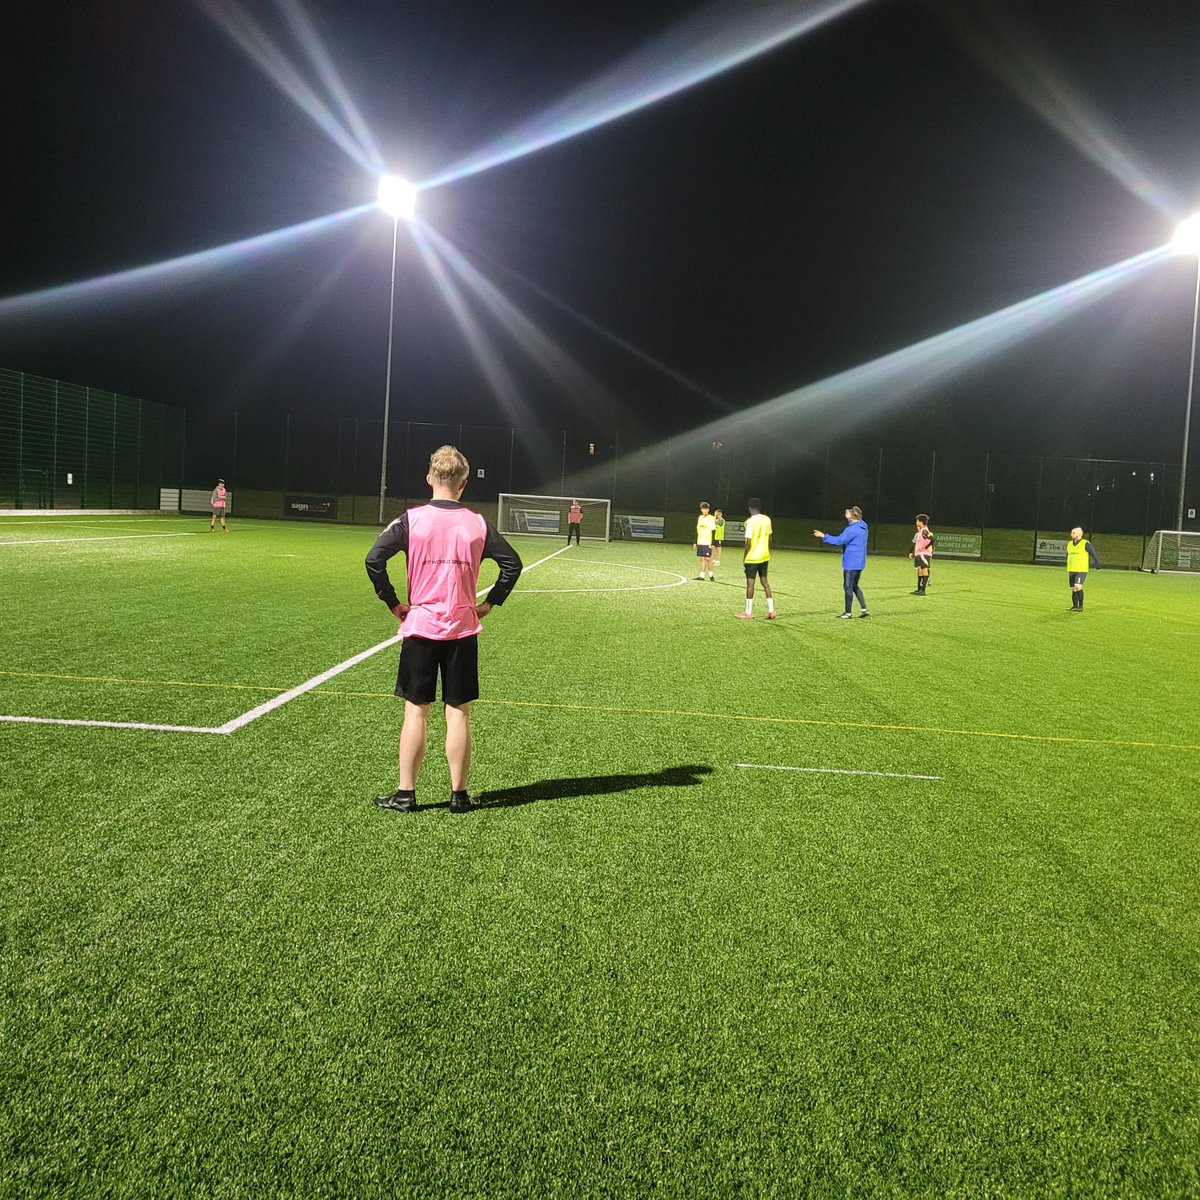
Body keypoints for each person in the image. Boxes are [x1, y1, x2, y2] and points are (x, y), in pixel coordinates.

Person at [365, 445, 523, 814]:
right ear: (464, 483)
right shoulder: (477, 523)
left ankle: (406, 794)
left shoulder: (411, 519)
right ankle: (459, 796)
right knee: (458, 711)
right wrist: (489, 604)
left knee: (416, 711)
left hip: (420, 627)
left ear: (429, 478)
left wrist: (393, 602)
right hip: (462, 630)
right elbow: (512, 565)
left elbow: (374, 559)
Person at [813, 506, 870, 618]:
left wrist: (823, 536)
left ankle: (848, 613)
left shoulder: (852, 529)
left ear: (853, 517)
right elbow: (854, 516)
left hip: (851, 562)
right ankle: (864, 609)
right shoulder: (864, 526)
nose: (846, 516)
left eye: (848, 515)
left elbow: (839, 540)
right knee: (854, 585)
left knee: (848, 586)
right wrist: (850, 514)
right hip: (860, 561)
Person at [736, 498, 775, 620]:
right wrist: (766, 550)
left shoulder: (751, 522)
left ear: (749, 508)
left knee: (750, 583)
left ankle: (748, 612)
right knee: (765, 582)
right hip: (764, 555)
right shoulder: (767, 519)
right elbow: (770, 538)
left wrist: (744, 557)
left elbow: (748, 542)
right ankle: (771, 610)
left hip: (752, 557)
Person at [1066, 526, 1101, 611]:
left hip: (1081, 569)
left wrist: (1097, 564)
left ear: (1079, 534)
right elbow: (1068, 555)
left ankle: (1080, 607)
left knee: (1078, 586)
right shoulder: (1070, 544)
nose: (1071, 534)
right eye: (1071, 533)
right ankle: (1075, 606)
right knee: (1074, 588)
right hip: (1071, 569)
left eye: (1073, 533)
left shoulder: (1085, 543)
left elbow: (1093, 553)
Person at [909, 513, 934, 595]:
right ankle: (919, 589)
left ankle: (923, 590)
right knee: (919, 571)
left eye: (917, 520)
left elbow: (932, 539)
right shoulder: (920, 532)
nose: (916, 522)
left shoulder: (924, 531)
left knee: (924, 570)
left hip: (924, 554)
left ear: (921, 522)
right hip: (919, 554)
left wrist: (926, 547)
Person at [693, 501, 717, 580]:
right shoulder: (700, 517)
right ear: (701, 509)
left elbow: (714, 531)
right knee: (702, 558)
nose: (705, 510)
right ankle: (701, 576)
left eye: (706, 509)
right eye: (703, 509)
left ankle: (711, 575)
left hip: (707, 541)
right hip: (700, 541)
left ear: (709, 510)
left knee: (708, 559)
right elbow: (697, 531)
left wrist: (712, 543)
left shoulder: (711, 518)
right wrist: (695, 542)